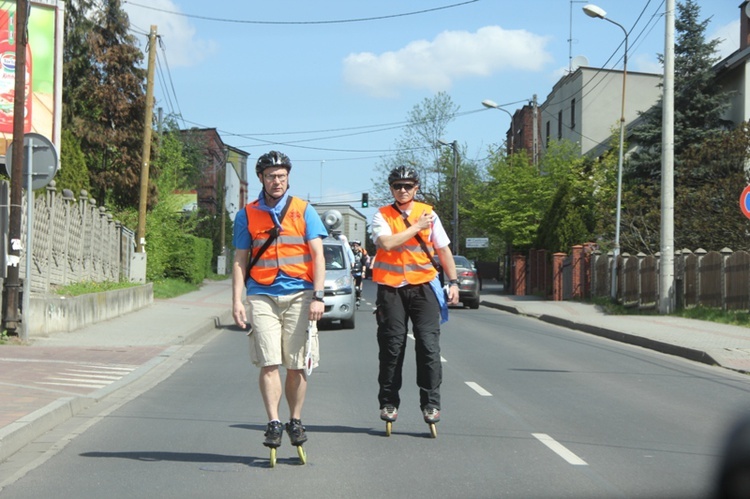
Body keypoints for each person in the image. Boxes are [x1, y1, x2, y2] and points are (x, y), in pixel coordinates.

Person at [232, 150, 328, 453]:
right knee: (269, 361)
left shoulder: (304, 209)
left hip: (300, 293)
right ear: (262, 178)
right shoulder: (246, 214)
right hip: (261, 294)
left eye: (282, 176)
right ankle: (274, 421)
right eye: (272, 176)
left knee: (297, 365)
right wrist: (237, 301)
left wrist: (318, 296)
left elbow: (318, 255)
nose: (278, 181)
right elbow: (239, 261)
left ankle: (295, 419)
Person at [370, 165, 459, 428]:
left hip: (424, 288)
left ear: (416, 188)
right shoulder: (382, 215)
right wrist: (417, 226)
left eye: (408, 186)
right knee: (392, 348)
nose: (403, 190)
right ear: (391, 189)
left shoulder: (429, 214)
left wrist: (453, 282)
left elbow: (443, 251)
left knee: (429, 347)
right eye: (398, 186)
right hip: (391, 289)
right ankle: (389, 402)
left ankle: (431, 404)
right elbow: (386, 243)